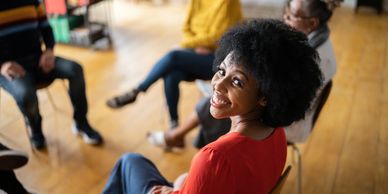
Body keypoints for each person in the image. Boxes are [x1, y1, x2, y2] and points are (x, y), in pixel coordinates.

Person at [102, 19, 322, 194]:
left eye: (237, 81)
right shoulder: (277, 134)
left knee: (129, 162)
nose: (217, 84)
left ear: (265, 96)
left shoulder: (216, 157)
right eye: (222, 71)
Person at [148, 0, 342, 150]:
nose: (285, 18)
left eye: (292, 15)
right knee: (212, 94)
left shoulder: (319, 59)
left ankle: (183, 138)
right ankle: (184, 137)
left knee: (219, 102)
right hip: (280, 104)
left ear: (312, 22)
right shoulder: (314, 42)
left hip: (289, 120)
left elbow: (288, 100)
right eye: (286, 10)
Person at [106, 0, 243, 128]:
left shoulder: (227, 2)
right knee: (171, 74)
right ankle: (174, 124)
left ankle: (137, 90)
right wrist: (195, 46)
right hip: (195, 51)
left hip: (220, 60)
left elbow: (217, 37)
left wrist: (188, 44)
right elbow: (186, 28)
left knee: (173, 56)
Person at [0, 0, 103, 149]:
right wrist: (2, 65)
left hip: (38, 59)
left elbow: (46, 29)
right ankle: (36, 130)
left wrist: (49, 50)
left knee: (75, 69)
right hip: (10, 68)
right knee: (26, 93)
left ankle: (81, 122)